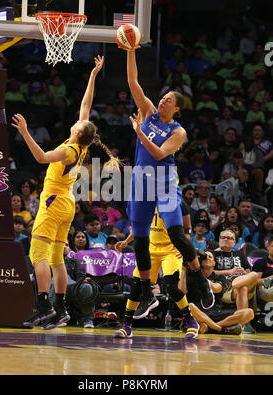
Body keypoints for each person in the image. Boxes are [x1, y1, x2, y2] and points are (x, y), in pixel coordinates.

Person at [12, 55, 120, 330]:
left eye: (78, 125)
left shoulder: (68, 148)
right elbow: (86, 106)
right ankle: (60, 310)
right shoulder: (81, 143)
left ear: (78, 133)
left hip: (53, 202)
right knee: (57, 258)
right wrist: (94, 75)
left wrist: (25, 132)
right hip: (68, 204)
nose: (76, 122)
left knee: (37, 255)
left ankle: (44, 306)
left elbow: (40, 157)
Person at [121, 45, 214, 317]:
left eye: (168, 101)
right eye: (163, 98)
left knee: (175, 232)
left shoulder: (178, 131)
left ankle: (198, 277)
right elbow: (133, 82)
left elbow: (160, 153)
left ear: (177, 109)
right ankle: (147, 293)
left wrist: (140, 133)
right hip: (141, 181)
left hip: (163, 182)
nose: (162, 102)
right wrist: (130, 50)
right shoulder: (148, 112)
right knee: (140, 239)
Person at [113, 207, 199, 340]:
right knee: (136, 287)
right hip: (151, 248)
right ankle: (126, 326)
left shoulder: (174, 203)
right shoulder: (148, 202)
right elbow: (140, 227)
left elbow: (186, 230)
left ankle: (190, 321)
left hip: (171, 249)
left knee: (171, 287)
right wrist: (126, 241)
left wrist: (185, 246)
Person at [179, 249, 254, 335]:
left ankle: (209, 328)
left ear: (214, 263)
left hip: (216, 314)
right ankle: (220, 329)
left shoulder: (219, 278)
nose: (207, 258)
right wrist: (184, 269)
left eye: (210, 257)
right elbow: (181, 293)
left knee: (249, 312)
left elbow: (215, 288)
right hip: (198, 313)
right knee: (190, 306)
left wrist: (197, 271)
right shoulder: (191, 276)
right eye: (204, 257)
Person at [213, 229, 258, 312]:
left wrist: (243, 272)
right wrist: (229, 272)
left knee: (254, 275)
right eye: (223, 237)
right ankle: (244, 321)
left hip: (239, 281)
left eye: (229, 238)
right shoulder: (212, 254)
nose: (226, 239)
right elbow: (208, 273)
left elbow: (248, 272)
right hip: (223, 285)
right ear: (219, 240)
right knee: (243, 288)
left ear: (234, 242)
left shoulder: (240, 254)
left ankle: (242, 322)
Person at [252, 236, 273, 309]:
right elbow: (255, 282)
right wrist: (270, 279)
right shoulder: (261, 262)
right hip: (266, 287)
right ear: (268, 247)